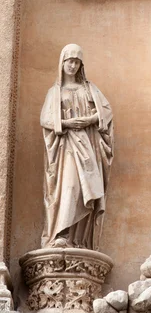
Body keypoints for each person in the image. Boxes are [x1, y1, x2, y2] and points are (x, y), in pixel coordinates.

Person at [40, 44, 113, 249]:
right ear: (62, 63)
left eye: (76, 62)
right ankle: (60, 234)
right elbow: (46, 119)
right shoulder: (55, 92)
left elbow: (106, 113)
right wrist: (67, 124)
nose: (72, 65)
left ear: (81, 65)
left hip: (88, 146)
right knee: (69, 185)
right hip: (66, 147)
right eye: (69, 61)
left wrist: (89, 120)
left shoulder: (89, 89)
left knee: (83, 188)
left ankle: (79, 239)